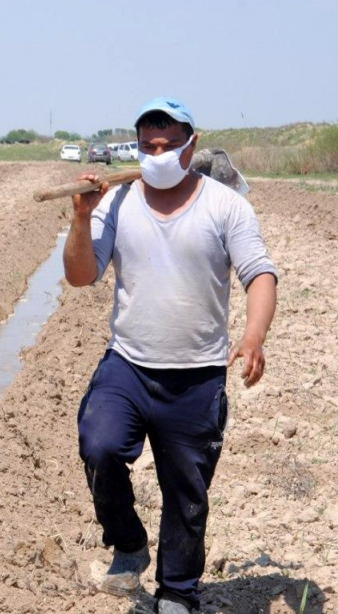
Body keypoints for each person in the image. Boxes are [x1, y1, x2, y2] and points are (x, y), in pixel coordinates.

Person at [64, 97, 278, 613]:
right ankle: (128, 543)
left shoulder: (226, 206)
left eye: (166, 145)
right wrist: (80, 218)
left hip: (197, 376)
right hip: (129, 364)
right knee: (99, 443)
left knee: (187, 494)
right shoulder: (117, 202)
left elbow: (260, 274)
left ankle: (178, 593)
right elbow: (80, 275)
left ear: (191, 144)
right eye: (147, 146)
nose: (156, 154)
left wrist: (253, 337)